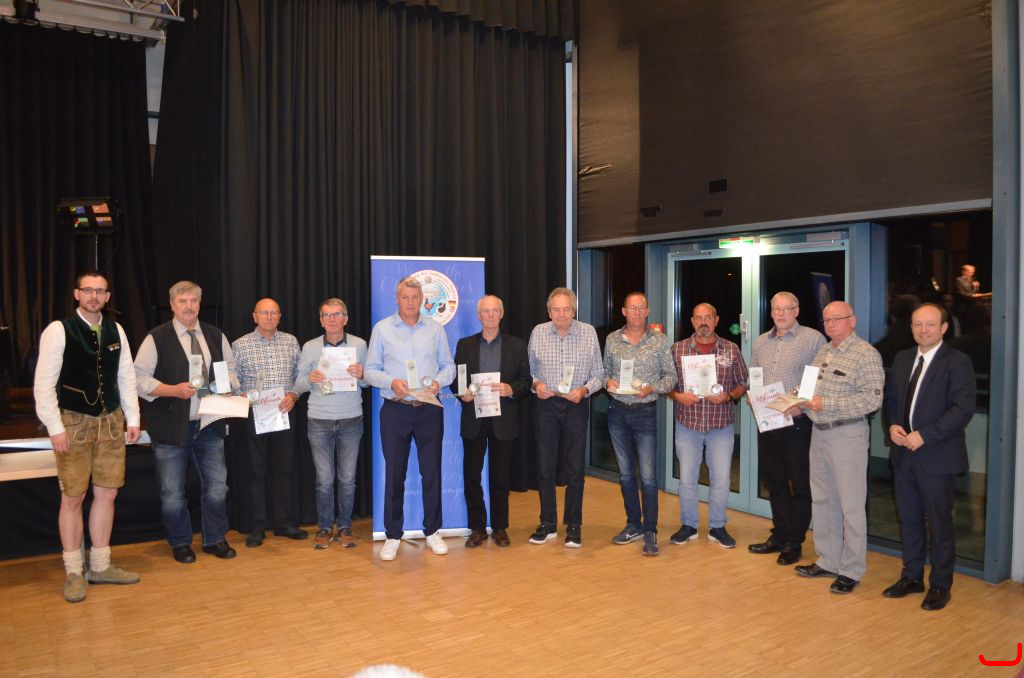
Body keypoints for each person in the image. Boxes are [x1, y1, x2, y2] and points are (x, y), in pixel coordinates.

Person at [33, 271, 142, 602]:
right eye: (88, 290)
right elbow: (43, 384)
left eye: (100, 291)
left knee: (107, 493)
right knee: (73, 497)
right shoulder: (58, 330)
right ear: (76, 294)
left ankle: (100, 565)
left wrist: (133, 418)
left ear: (107, 297)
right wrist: (55, 427)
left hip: (111, 422)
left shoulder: (116, 330)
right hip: (73, 423)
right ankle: (74, 571)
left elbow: (126, 377)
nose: (94, 296)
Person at [135, 280, 239, 563]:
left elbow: (231, 369)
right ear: (172, 305)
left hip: (209, 424)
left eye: (193, 301)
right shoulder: (156, 338)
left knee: (217, 488)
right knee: (172, 493)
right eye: (182, 301)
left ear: (199, 304)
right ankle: (180, 543)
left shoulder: (215, 335)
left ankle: (215, 539)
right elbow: (138, 378)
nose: (189, 306)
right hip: (170, 427)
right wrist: (172, 390)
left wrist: (227, 385)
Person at [882, 303, 976, 611]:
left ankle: (940, 584)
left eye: (930, 324)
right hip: (903, 455)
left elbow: (962, 409)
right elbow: (892, 400)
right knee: (908, 519)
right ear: (910, 327)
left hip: (937, 457)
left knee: (939, 523)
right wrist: (892, 425)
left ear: (944, 328)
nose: (923, 330)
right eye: (917, 324)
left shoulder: (957, 362)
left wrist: (925, 435)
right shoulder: (903, 358)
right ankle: (912, 577)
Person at [793, 301, 884, 594]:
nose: (830, 325)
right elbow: (810, 392)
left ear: (852, 320)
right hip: (819, 434)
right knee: (822, 500)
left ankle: (851, 569)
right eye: (826, 320)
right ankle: (828, 560)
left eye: (837, 319)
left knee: (851, 506)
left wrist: (827, 404)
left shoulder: (866, 354)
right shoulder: (823, 352)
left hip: (847, 436)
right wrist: (796, 403)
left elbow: (872, 400)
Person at [364, 277, 455, 561]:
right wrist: (391, 382)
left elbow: (449, 367)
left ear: (422, 300)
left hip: (429, 408)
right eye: (405, 297)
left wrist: (438, 383)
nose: (411, 302)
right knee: (395, 473)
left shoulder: (435, 329)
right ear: (397, 299)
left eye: (415, 297)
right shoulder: (382, 329)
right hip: (396, 409)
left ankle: (433, 531)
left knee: (432, 472)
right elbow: (370, 371)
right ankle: (393, 535)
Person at [747, 292, 826, 565]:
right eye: (776, 309)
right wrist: (752, 394)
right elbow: (755, 376)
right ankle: (779, 535)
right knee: (774, 481)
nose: (780, 314)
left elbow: (817, 379)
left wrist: (800, 405)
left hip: (796, 422)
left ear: (797, 310)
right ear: (770, 312)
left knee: (799, 483)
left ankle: (795, 541)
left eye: (786, 308)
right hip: (768, 420)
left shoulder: (813, 339)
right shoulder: (760, 341)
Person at [452, 295, 531, 548]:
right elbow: (456, 379)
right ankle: (477, 528)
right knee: (471, 476)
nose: (490, 315)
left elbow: (526, 380)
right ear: (479, 315)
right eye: (485, 311)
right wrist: (462, 392)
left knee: (500, 477)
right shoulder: (465, 345)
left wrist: (511, 389)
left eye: (495, 310)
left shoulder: (517, 345)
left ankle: (499, 527)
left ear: (501, 314)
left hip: (503, 418)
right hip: (474, 418)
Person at [527, 287, 604, 548]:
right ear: (549, 312)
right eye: (556, 310)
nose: (561, 314)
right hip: (546, 405)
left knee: (575, 469)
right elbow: (529, 371)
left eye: (566, 309)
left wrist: (584, 390)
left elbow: (599, 375)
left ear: (574, 310)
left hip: (575, 405)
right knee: (545, 467)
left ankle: (573, 525)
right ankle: (548, 523)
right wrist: (537, 385)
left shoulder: (588, 333)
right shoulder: (538, 332)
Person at [668, 303, 748, 549]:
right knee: (687, 478)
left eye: (708, 317)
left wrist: (729, 396)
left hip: (720, 425)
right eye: (699, 318)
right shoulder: (677, 349)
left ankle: (717, 527)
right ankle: (689, 525)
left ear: (716, 320)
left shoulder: (731, 349)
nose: (703, 322)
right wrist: (678, 396)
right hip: (688, 423)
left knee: (721, 478)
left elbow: (743, 382)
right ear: (692, 321)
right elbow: (666, 383)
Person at [602, 292, 675, 556]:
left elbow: (671, 377)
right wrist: (608, 382)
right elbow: (604, 372)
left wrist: (651, 388)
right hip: (617, 412)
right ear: (624, 311)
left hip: (645, 412)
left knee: (647, 476)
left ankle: (650, 529)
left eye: (641, 308)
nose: (636, 312)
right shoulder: (612, 339)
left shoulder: (659, 341)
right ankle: (634, 524)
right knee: (625, 474)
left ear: (647, 311)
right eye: (632, 308)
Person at [294, 298, 367, 549]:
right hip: (319, 420)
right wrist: (309, 379)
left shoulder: (359, 345)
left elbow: (368, 382)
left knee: (347, 480)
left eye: (337, 315)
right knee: (324, 481)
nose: (332, 319)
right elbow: (298, 384)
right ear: (321, 320)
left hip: (350, 419)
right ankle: (325, 528)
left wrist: (362, 374)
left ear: (346, 319)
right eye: (327, 315)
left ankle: (345, 526)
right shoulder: (310, 347)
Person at [232, 298, 306, 547]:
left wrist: (293, 395)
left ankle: (284, 523)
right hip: (255, 415)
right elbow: (234, 381)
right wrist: (243, 395)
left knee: (284, 469)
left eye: (274, 312)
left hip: (284, 412)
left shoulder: (291, 341)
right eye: (264, 313)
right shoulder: (240, 345)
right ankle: (258, 526)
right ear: (254, 316)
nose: (269, 317)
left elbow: (299, 376)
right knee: (256, 471)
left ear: (280, 316)